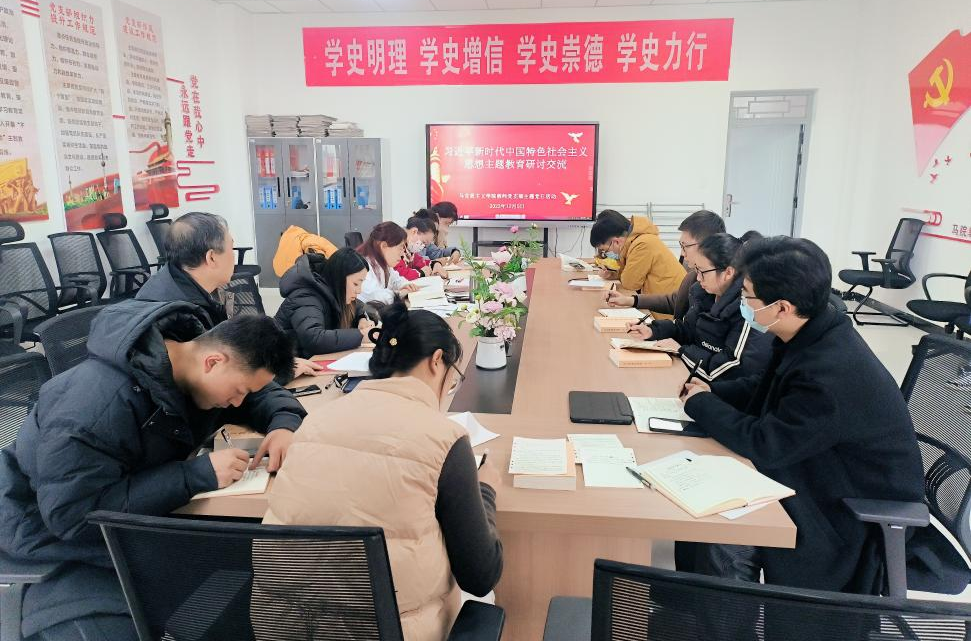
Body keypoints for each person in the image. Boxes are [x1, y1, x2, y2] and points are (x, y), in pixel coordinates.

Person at [0, 302, 301, 641]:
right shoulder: (95, 408)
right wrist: (193, 476)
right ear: (213, 362)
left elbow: (260, 393)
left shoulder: (191, 362)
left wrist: (283, 423)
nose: (237, 402)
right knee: (229, 559)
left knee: (244, 553)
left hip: (117, 498)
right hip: (46, 530)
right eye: (238, 392)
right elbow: (74, 516)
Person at [676, 236, 924, 595]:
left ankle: (723, 618)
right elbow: (767, 387)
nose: (742, 303)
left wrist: (701, 404)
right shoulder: (814, 330)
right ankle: (689, 605)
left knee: (723, 526)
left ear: (781, 307)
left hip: (847, 506)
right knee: (707, 484)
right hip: (818, 465)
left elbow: (766, 444)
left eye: (747, 296)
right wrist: (712, 391)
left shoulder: (829, 373)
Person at [258, 302, 503, 640]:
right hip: (388, 632)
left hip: (285, 629)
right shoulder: (444, 438)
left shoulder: (314, 421)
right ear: (436, 361)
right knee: (485, 598)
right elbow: (480, 575)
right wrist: (485, 490)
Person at [137, 211, 324, 378]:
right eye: (231, 249)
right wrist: (278, 372)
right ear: (211, 257)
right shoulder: (180, 315)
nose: (234, 257)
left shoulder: (177, 284)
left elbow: (229, 351)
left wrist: (274, 364)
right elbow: (215, 380)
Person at [627, 233, 772, 381]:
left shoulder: (749, 307)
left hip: (714, 387)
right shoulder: (703, 292)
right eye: (697, 270)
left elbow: (733, 369)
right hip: (691, 375)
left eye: (702, 272)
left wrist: (682, 351)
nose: (697, 278)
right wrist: (653, 330)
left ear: (728, 273)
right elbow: (687, 330)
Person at [605, 210, 726, 320]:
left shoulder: (723, 292)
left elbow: (630, 283)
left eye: (685, 246)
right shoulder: (694, 277)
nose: (682, 253)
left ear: (707, 245)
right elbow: (674, 301)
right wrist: (629, 300)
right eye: (681, 245)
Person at [275, 248, 376, 357]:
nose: (359, 290)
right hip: (283, 362)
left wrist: (362, 318)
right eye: (355, 284)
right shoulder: (306, 297)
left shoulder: (335, 293)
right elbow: (314, 339)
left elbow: (361, 307)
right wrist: (361, 335)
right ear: (339, 279)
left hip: (308, 361)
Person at [589, 211, 685, 301]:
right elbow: (629, 274)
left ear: (617, 242)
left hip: (670, 305)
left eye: (605, 250)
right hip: (660, 298)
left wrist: (616, 273)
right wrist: (612, 275)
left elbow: (630, 284)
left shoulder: (642, 245)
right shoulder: (634, 242)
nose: (606, 254)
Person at [357, 221, 419, 304]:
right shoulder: (363, 266)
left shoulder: (384, 263)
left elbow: (396, 279)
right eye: (400, 248)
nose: (402, 254)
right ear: (383, 246)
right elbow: (376, 297)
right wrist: (400, 293)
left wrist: (405, 284)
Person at [396, 216, 447, 280]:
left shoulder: (409, 250)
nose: (422, 246)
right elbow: (399, 273)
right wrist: (421, 273)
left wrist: (435, 264)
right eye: (423, 242)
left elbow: (419, 261)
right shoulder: (397, 246)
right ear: (414, 231)